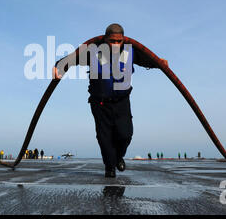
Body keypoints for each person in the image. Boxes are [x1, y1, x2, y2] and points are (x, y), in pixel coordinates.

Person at [53, 23, 168, 177]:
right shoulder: (93, 52)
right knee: (104, 137)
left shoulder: (130, 51)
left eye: (118, 41)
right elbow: (72, 59)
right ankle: (109, 167)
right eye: (111, 41)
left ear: (123, 40)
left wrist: (160, 63)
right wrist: (58, 66)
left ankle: (118, 157)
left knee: (125, 134)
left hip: (122, 102)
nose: (115, 44)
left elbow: (149, 60)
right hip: (100, 103)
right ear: (105, 39)